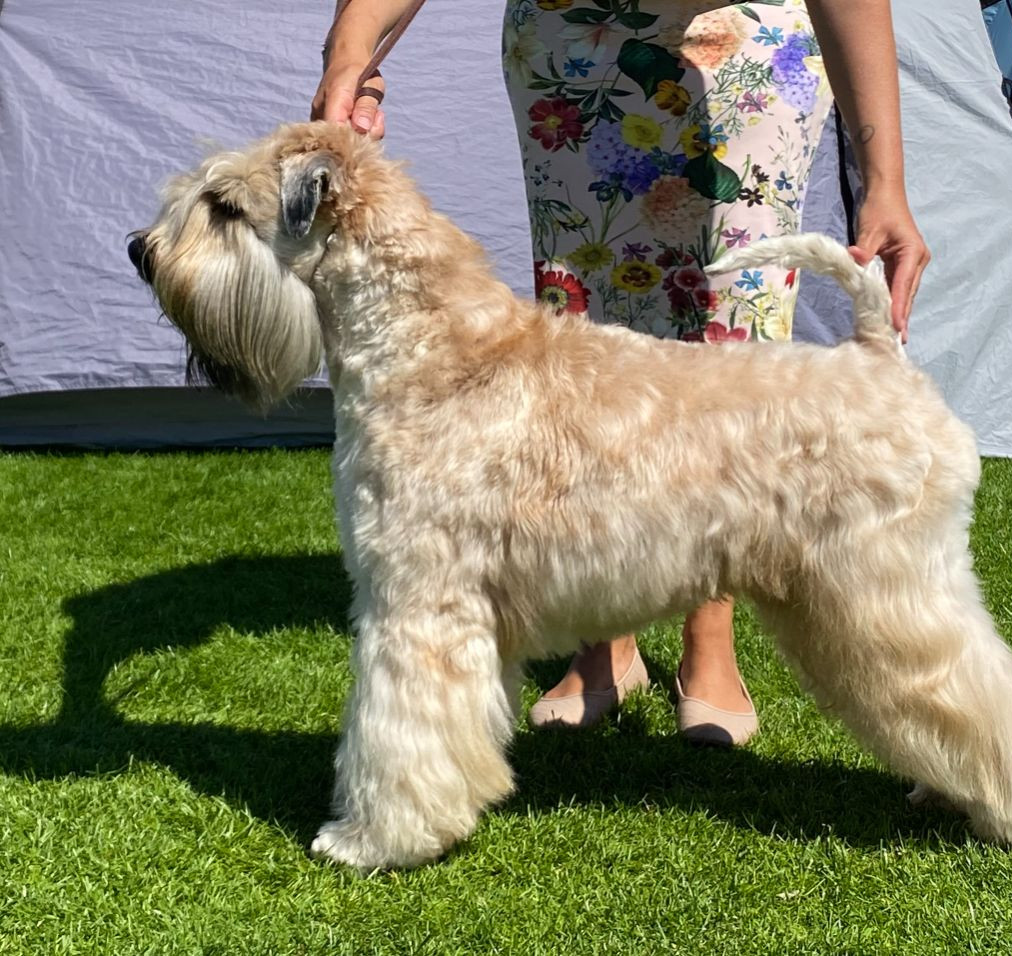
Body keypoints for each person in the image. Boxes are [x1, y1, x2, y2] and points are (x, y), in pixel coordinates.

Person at [314, 0, 929, 746]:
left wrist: (885, 178)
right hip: (575, 37)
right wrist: (350, 51)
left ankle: (710, 635)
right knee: (581, 336)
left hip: (746, 39)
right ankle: (600, 634)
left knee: (734, 336)